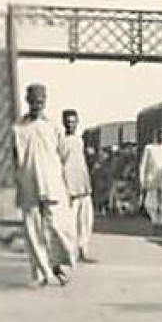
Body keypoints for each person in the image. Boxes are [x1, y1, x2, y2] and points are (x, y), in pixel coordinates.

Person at [12, 83, 77, 287]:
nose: (37, 105)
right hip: (29, 183)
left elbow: (63, 157)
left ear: (45, 102)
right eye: (33, 102)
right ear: (27, 101)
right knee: (32, 230)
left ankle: (56, 265)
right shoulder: (18, 128)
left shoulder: (53, 127)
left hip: (52, 184)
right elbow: (15, 157)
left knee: (56, 227)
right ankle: (41, 273)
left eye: (40, 102)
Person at [60, 109, 96, 262]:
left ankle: (83, 250)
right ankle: (71, 252)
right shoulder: (60, 141)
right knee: (71, 222)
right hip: (69, 187)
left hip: (83, 186)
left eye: (73, 122)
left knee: (86, 221)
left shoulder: (81, 141)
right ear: (64, 123)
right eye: (68, 122)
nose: (71, 125)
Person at [139, 127, 162, 229]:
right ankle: (155, 221)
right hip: (151, 178)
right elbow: (143, 165)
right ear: (155, 136)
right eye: (160, 135)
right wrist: (142, 180)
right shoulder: (149, 148)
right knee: (151, 203)